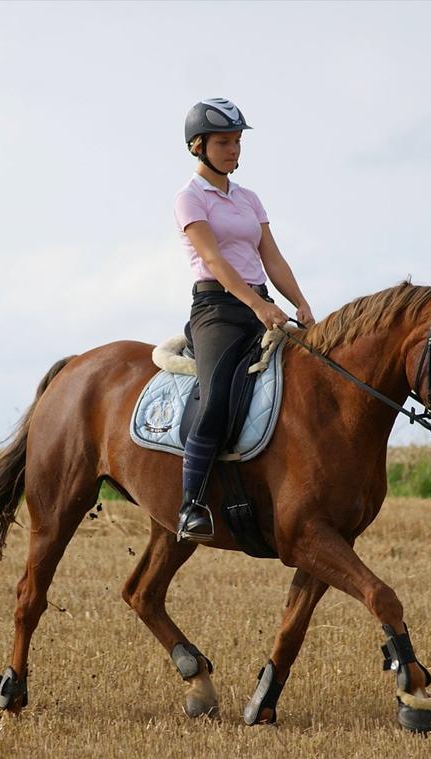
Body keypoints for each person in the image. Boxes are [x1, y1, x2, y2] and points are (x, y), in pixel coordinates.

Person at [173, 98, 315, 543]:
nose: (233, 150)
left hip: (262, 304)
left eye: (236, 141)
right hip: (217, 310)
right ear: (198, 146)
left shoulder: (249, 198)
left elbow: (271, 257)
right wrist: (257, 308)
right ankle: (190, 504)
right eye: (223, 142)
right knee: (217, 398)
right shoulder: (189, 198)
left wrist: (302, 304)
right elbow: (214, 260)